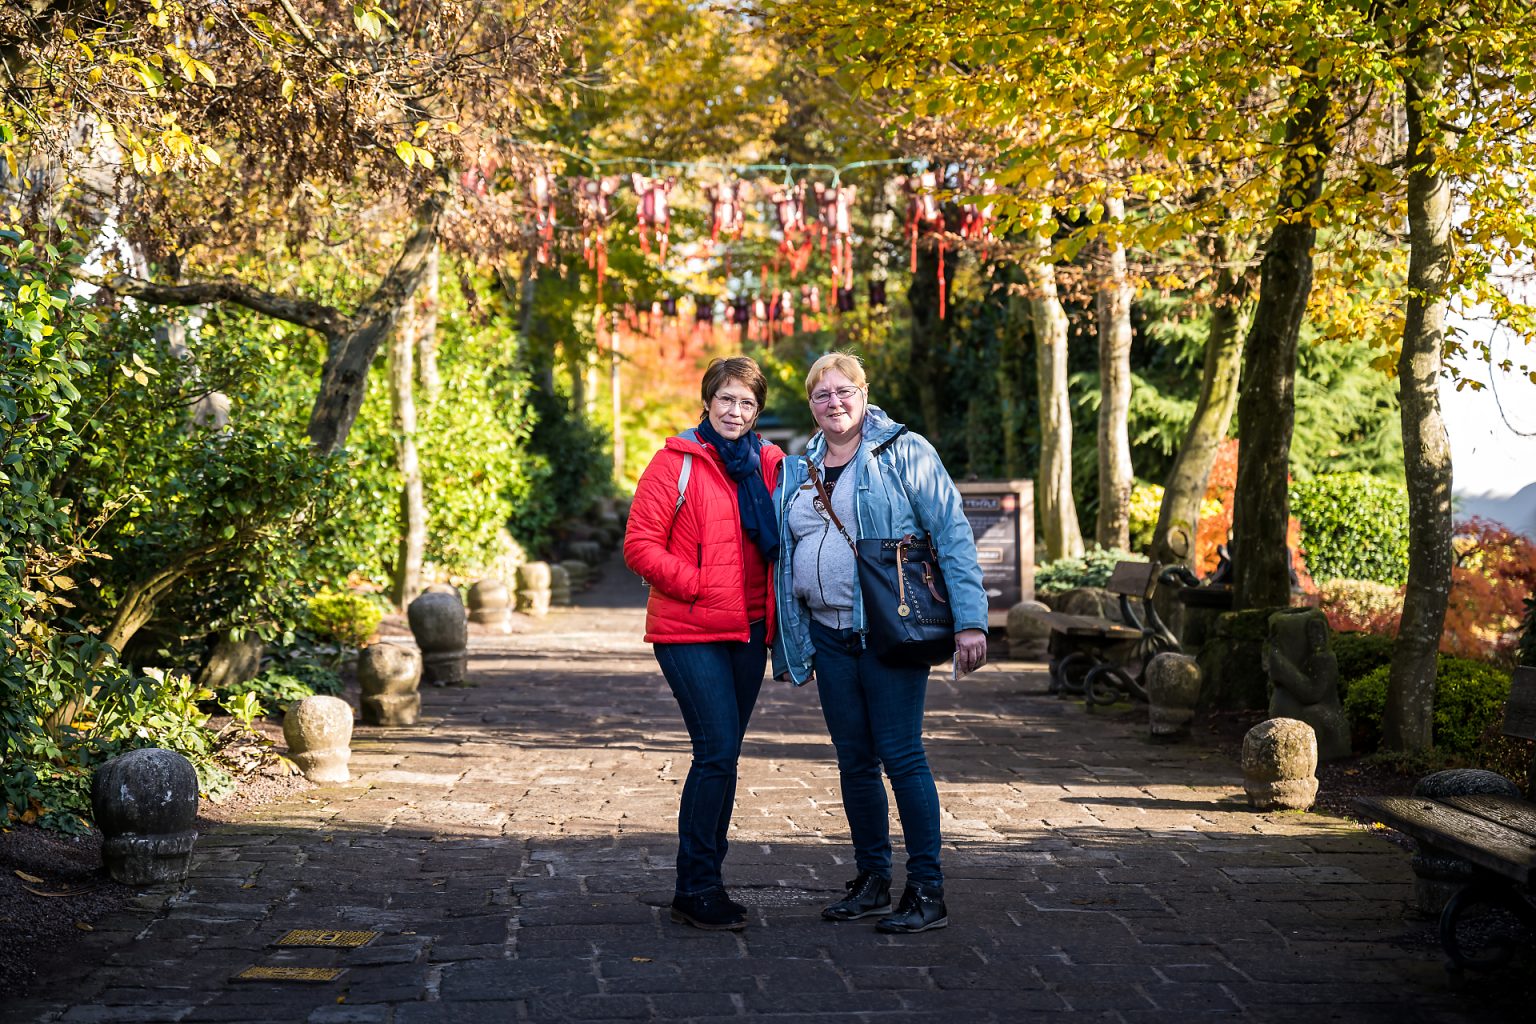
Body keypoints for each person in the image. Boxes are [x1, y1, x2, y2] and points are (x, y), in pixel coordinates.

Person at [773, 352, 988, 934]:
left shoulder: (904, 451)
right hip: (829, 633)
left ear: (864, 393)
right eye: (822, 395)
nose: (834, 403)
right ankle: (871, 880)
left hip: (890, 630)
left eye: (844, 391)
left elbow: (951, 530)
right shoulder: (803, 464)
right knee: (854, 762)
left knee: (901, 754)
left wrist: (971, 620)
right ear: (811, 405)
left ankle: (926, 890)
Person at [623, 356, 784, 932]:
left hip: (750, 630)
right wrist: (698, 585)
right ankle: (695, 886)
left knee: (725, 757)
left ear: (757, 410)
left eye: (747, 403)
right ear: (708, 401)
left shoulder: (771, 464)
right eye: (726, 399)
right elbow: (640, 544)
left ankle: (707, 878)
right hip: (690, 628)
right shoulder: (675, 463)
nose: (735, 411)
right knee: (716, 748)